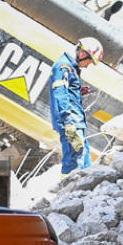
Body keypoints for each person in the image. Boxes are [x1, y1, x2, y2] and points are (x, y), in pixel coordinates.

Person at [49, 38, 104, 175]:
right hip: (70, 122)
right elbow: (60, 94)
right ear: (83, 53)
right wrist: (68, 122)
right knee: (74, 161)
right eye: (89, 61)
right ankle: (68, 192)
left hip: (76, 122)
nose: (87, 65)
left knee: (85, 161)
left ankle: (81, 192)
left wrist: (78, 92)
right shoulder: (64, 66)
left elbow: (66, 92)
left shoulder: (72, 67)